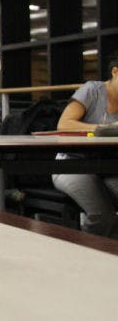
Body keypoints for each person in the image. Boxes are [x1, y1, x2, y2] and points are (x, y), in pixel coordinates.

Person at [52, 56, 118, 238]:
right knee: (103, 217)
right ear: (115, 71)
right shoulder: (92, 90)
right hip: (71, 164)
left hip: (108, 166)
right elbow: (64, 124)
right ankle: (90, 252)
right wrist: (103, 129)